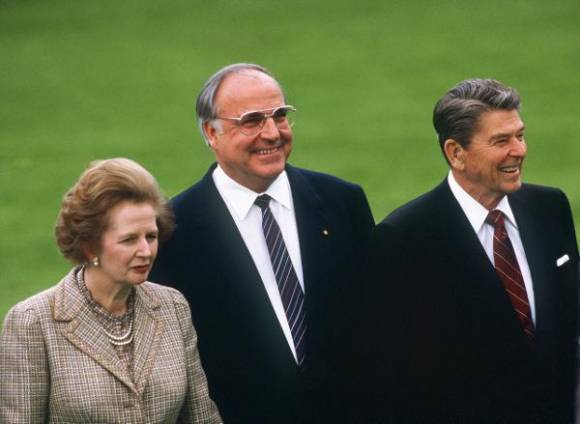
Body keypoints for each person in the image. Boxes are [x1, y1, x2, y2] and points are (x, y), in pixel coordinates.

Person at [150, 63, 374, 423]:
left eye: (280, 116)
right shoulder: (173, 230)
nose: (272, 133)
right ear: (211, 132)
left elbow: (377, 324)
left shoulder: (342, 202)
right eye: (252, 120)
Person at [364, 79, 578, 423]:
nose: (519, 150)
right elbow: (397, 378)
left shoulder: (549, 208)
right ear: (456, 153)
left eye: (520, 136)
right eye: (501, 141)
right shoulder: (404, 238)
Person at [0, 158, 222, 424]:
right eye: (129, 239)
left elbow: (201, 417)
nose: (146, 251)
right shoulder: (33, 322)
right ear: (90, 246)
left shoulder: (172, 306)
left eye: (150, 236)